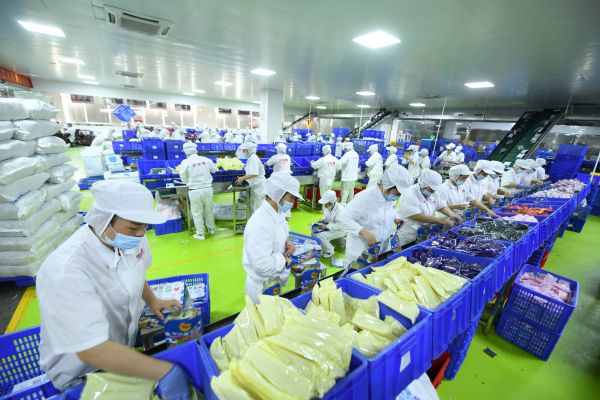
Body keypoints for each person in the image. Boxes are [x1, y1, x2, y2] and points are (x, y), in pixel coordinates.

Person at [37, 181, 190, 398]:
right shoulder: (66, 270)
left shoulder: (131, 238)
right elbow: (91, 350)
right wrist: (164, 371)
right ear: (103, 220)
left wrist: (152, 300)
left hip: (119, 355)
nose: (141, 234)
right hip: (81, 373)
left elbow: (135, 272)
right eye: (134, 228)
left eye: (145, 226)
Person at [242, 173, 303, 303]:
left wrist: (287, 241)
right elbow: (262, 266)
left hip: (273, 282)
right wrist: (284, 259)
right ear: (278, 194)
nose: (293, 202)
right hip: (261, 288)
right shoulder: (259, 223)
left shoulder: (278, 212)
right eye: (291, 197)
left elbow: (282, 231)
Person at [338, 163, 413, 268]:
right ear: (387, 185)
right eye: (397, 194)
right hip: (360, 251)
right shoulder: (364, 197)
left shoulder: (388, 197)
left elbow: (385, 211)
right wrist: (362, 231)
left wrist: (395, 217)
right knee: (356, 275)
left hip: (379, 250)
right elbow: (343, 217)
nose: (397, 197)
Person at [396, 169, 463, 247]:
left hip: (423, 233)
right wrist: (440, 220)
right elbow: (415, 215)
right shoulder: (409, 194)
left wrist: (452, 215)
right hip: (409, 235)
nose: (433, 192)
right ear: (423, 185)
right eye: (431, 189)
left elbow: (441, 205)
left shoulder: (433, 192)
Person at [179, 142, 217, 240]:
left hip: (194, 190)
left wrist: (190, 180)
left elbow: (183, 179)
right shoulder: (206, 160)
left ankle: (200, 234)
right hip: (208, 189)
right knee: (209, 210)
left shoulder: (185, 163)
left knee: (197, 213)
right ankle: (211, 230)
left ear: (186, 152)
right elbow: (214, 170)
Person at [313, 190, 346, 259]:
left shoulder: (341, 210)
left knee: (320, 236)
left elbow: (340, 226)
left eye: (326, 204)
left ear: (331, 202)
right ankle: (319, 246)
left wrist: (326, 226)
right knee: (314, 232)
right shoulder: (328, 207)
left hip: (340, 230)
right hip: (330, 226)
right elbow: (326, 217)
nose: (325, 205)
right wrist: (321, 220)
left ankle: (329, 251)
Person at [235, 142, 266, 215]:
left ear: (249, 150)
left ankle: (258, 222)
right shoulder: (252, 158)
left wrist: (242, 178)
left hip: (258, 187)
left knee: (257, 208)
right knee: (254, 206)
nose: (243, 152)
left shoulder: (253, 159)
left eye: (244, 150)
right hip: (256, 186)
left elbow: (254, 173)